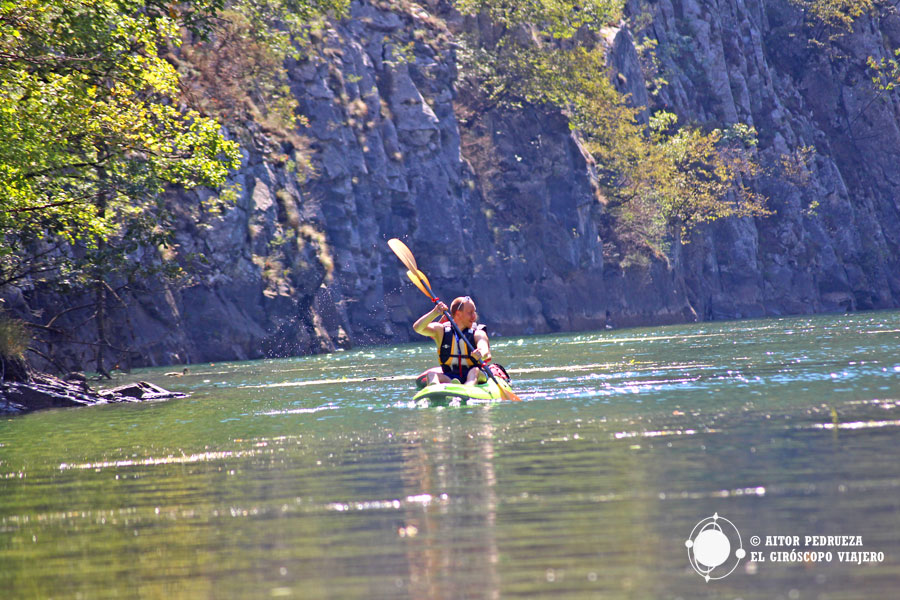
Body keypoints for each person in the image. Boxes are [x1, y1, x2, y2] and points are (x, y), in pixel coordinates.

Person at [413, 296, 490, 386]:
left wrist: (480, 353)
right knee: (431, 374)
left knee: (474, 371)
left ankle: (466, 388)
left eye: (474, 312)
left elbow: (485, 351)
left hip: (476, 375)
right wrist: (435, 313)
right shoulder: (441, 331)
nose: (474, 316)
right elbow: (418, 328)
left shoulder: (478, 333)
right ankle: (436, 390)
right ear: (458, 314)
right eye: (470, 313)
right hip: (450, 376)